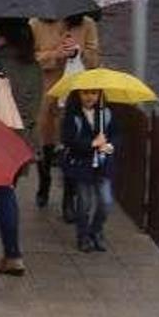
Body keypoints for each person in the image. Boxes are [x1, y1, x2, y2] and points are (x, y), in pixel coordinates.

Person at [0, 18, 42, 277]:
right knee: (8, 193)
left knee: (3, 196)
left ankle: (13, 254)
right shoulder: (33, 65)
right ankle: (11, 253)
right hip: (25, 139)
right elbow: (34, 105)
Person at [31, 14, 101, 219]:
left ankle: (68, 198)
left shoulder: (87, 24)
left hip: (73, 94)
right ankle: (44, 184)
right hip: (46, 93)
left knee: (71, 144)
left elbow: (95, 60)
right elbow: (31, 59)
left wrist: (79, 53)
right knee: (45, 142)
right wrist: (56, 54)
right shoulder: (36, 24)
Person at [61, 90, 120, 253]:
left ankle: (96, 230)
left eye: (94, 93)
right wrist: (92, 143)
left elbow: (116, 135)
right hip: (82, 166)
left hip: (103, 165)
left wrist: (110, 146)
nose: (90, 97)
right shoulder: (73, 117)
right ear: (78, 95)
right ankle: (83, 236)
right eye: (85, 93)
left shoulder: (106, 114)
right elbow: (69, 140)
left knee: (106, 202)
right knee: (84, 203)